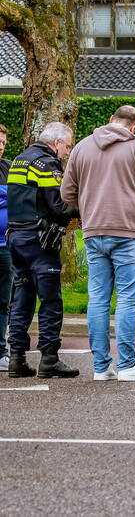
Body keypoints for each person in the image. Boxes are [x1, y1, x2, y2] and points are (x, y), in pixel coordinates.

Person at [61, 105, 135, 382]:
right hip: (128, 230)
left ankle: (101, 366)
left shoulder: (82, 147)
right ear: (134, 126)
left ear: (110, 120)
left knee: (98, 299)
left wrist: (89, 201)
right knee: (128, 299)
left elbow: (67, 192)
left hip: (94, 230)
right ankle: (128, 365)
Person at [6, 122, 79, 378]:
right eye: (67, 146)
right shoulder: (46, 164)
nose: (67, 152)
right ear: (57, 142)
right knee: (50, 299)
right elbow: (58, 205)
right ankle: (49, 358)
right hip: (40, 241)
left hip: (16, 237)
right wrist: (81, 213)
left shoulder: (18, 160)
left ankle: (16, 358)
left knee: (21, 298)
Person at [0, 125, 11, 372]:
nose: (0, 145)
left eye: (3, 142)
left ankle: (1, 351)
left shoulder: (9, 167)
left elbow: (22, 195)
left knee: (3, 301)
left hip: (6, 246)